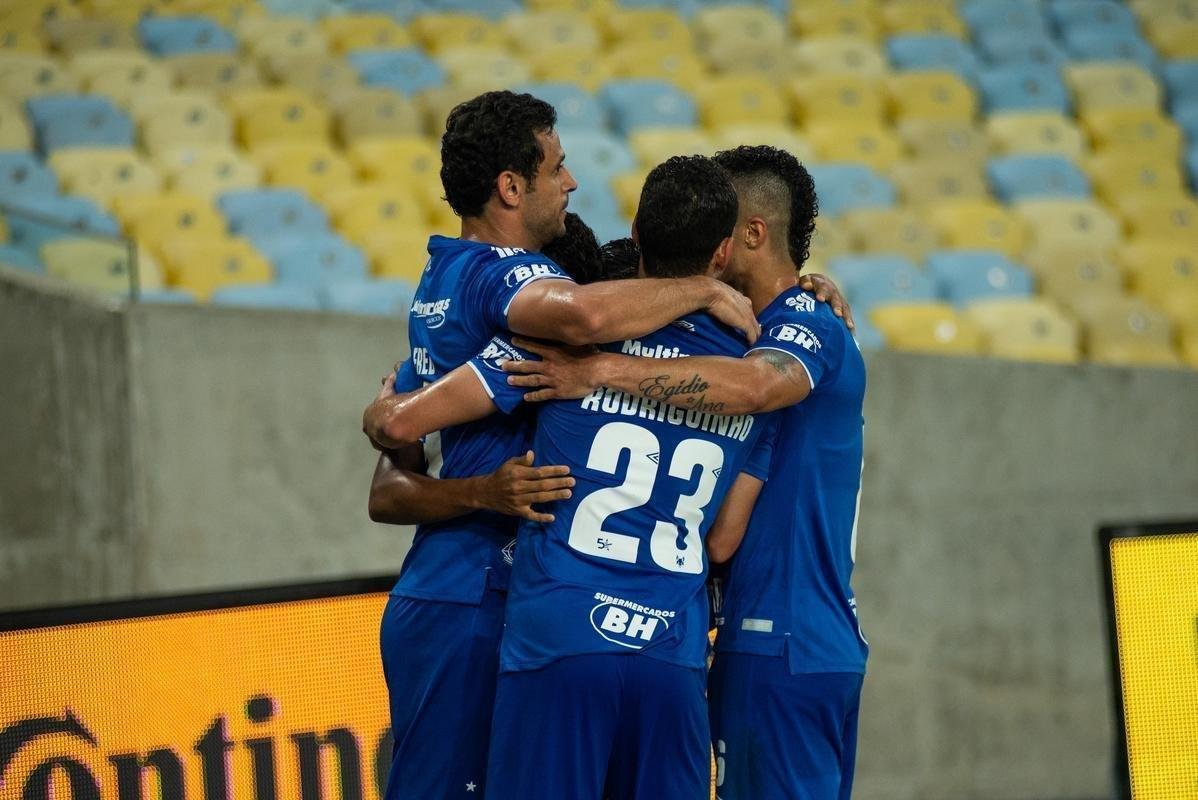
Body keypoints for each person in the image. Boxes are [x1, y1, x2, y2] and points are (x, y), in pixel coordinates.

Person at [372, 88, 763, 800]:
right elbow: (581, 315)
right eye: (557, 167)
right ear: (511, 186)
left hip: (491, 596)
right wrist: (705, 290)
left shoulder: (451, 281)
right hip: (476, 596)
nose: (572, 181)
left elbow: (389, 461)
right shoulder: (512, 289)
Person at [500, 145, 868, 800]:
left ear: (747, 236)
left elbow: (757, 386)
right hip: (697, 644)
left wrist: (599, 373)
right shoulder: (749, 331)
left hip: (773, 633)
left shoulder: (790, 329)